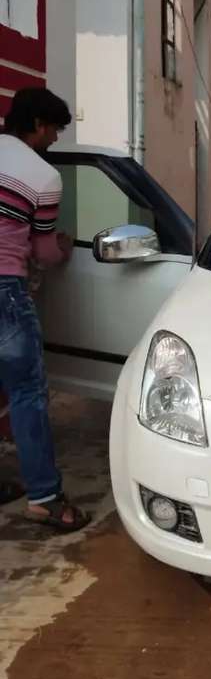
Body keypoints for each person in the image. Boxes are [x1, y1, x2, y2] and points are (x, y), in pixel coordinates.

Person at [0, 88, 89, 531]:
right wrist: (66, 245)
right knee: (28, 394)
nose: (54, 138)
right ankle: (44, 497)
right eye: (53, 129)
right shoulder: (41, 175)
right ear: (37, 124)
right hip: (5, 290)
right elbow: (44, 252)